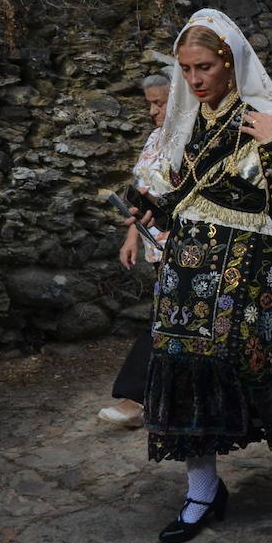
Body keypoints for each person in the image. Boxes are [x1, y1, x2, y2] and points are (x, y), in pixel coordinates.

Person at [131, 9, 272, 543]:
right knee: (185, 369)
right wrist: (148, 208)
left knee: (269, 363)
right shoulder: (184, 125)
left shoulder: (261, 118)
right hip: (186, 271)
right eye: (186, 69)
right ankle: (202, 491)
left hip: (251, 270)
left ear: (230, 64)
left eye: (204, 67)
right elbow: (178, 196)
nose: (195, 80)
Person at [100, 71, 172, 429]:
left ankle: (138, 399)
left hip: (185, 249)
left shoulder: (192, 140)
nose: (152, 112)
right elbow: (140, 193)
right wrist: (132, 237)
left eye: (160, 103)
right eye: (150, 104)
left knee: (163, 323)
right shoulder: (155, 140)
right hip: (157, 248)